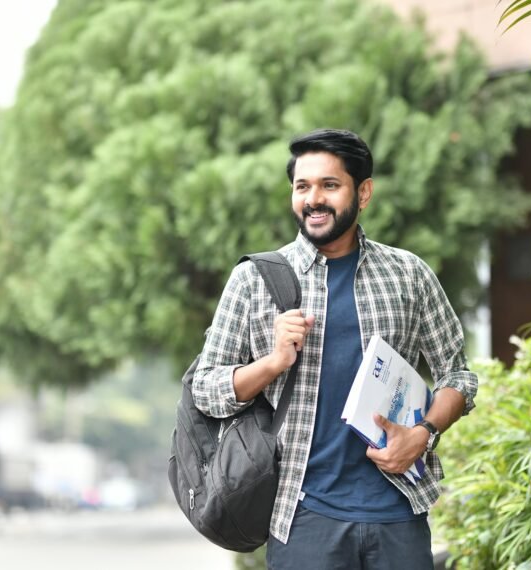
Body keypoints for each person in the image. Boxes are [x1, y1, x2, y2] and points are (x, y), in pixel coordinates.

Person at [193, 129, 478, 569]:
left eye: (330, 185)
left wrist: (424, 435)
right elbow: (206, 390)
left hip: (398, 514)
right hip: (304, 517)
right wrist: (272, 363)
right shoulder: (254, 280)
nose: (313, 199)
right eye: (302, 186)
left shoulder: (409, 275)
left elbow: (458, 376)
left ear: (363, 193)